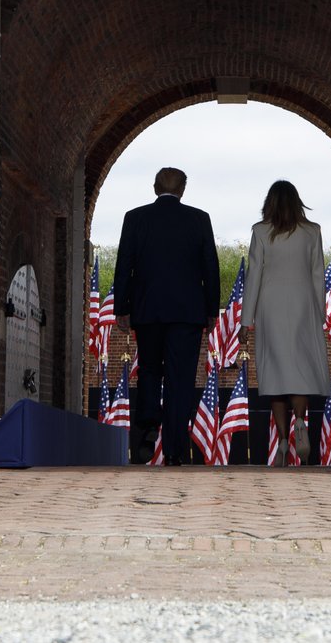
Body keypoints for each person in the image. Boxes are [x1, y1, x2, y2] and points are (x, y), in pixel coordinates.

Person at [112, 166, 219, 465]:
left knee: (149, 370)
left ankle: (147, 426)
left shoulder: (135, 218)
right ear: (183, 189)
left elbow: (125, 265)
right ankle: (173, 450)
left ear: (155, 187)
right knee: (180, 379)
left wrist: (122, 307)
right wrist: (211, 309)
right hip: (187, 312)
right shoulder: (199, 219)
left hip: (148, 310)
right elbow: (209, 267)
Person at [244, 179, 327, 465]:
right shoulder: (312, 231)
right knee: (300, 369)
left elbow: (253, 275)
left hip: (270, 306)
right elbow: (318, 274)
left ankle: (281, 441)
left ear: (269, 202)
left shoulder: (260, 231)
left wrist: (246, 319)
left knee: (276, 374)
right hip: (304, 303)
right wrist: (321, 312)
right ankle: (301, 423)